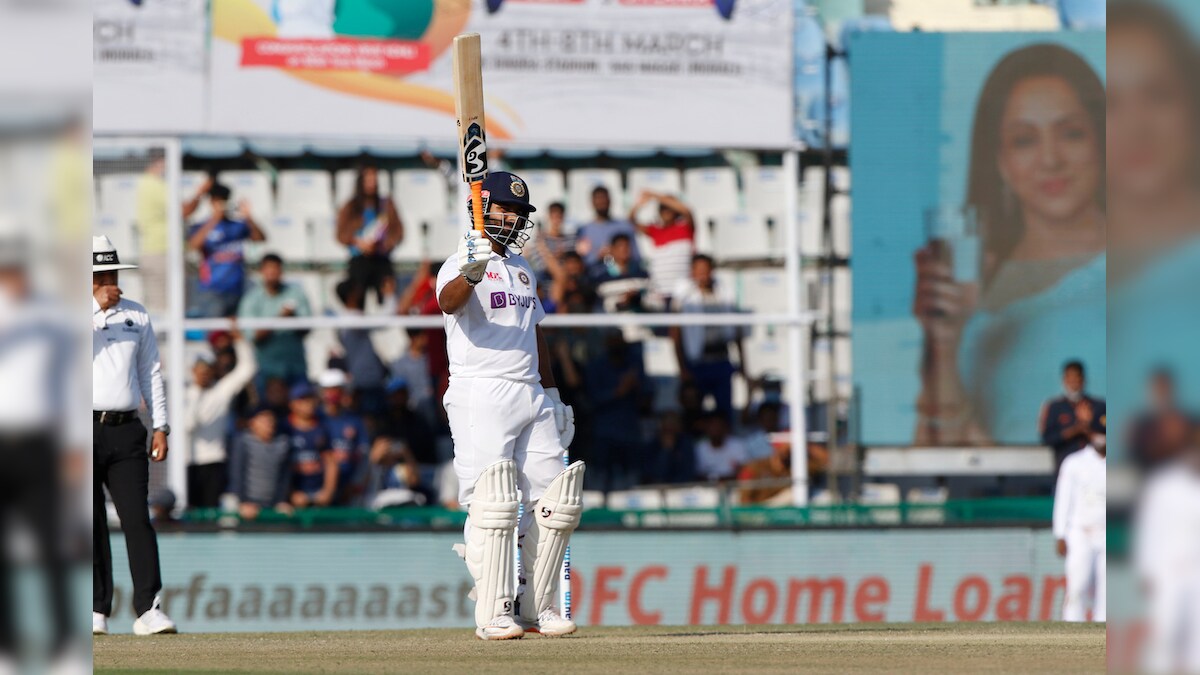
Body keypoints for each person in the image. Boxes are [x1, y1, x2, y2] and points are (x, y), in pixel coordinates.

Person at [912, 44, 1106, 445]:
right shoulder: (970, 290)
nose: (1051, 160)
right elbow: (944, 454)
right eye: (1024, 141)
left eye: (1071, 133)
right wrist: (943, 345)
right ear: (1000, 160)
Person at [435, 170, 581, 640]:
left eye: (521, 212)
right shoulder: (460, 260)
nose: (516, 218)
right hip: (481, 390)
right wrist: (470, 272)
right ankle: (494, 613)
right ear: (482, 209)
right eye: (507, 209)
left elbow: (534, 333)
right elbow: (447, 301)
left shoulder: (523, 268)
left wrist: (553, 395)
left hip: (530, 391)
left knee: (554, 501)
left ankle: (540, 606)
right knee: (494, 503)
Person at [91, 235, 176, 636]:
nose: (109, 281)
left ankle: (148, 608)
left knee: (137, 519)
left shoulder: (136, 315)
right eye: (99, 274)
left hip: (126, 430)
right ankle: (96, 610)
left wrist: (161, 425)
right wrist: (94, 309)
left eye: (110, 273)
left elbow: (151, 373)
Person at [183, 329, 257, 509]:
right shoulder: (183, 395)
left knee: (211, 511)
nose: (204, 374)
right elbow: (188, 425)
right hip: (187, 463)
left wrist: (240, 341)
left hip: (214, 462)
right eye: (199, 369)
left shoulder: (221, 392)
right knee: (190, 511)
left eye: (207, 369)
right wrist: (196, 393)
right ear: (192, 371)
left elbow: (248, 369)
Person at [671, 254, 747, 420]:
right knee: (694, 414)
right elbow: (676, 335)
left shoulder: (725, 294)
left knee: (724, 413)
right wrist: (682, 368)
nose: (702, 275)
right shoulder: (684, 298)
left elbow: (737, 332)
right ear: (692, 273)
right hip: (697, 363)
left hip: (721, 360)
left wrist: (742, 363)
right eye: (698, 271)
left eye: (706, 270)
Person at [184, 181, 266, 317]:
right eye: (216, 200)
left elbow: (260, 238)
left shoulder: (238, 225)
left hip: (237, 288)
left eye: (223, 200)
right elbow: (193, 246)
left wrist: (249, 218)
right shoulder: (201, 226)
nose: (220, 204)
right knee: (215, 334)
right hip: (212, 290)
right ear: (210, 202)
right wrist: (214, 219)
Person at [1052, 431, 1106, 622]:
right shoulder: (1075, 462)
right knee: (1078, 584)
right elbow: (1063, 498)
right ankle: (1073, 632)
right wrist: (1060, 533)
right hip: (1080, 531)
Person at [238, 253, 312, 386]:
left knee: (302, 405)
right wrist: (279, 319)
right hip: (268, 371)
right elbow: (253, 336)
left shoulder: (296, 293)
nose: (272, 273)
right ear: (261, 271)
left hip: (296, 367)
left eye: (276, 269)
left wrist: (292, 319)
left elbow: (307, 329)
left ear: (281, 271)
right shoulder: (251, 299)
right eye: (268, 269)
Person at [336, 165, 403, 305]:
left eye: (374, 179)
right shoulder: (351, 206)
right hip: (359, 259)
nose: (372, 183)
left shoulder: (386, 205)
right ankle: (355, 317)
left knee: (388, 284)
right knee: (355, 289)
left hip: (381, 258)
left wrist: (384, 244)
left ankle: (388, 315)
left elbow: (398, 232)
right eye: (368, 179)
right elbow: (341, 234)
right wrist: (358, 242)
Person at [628, 190, 695, 305]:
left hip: (682, 290)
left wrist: (656, 196)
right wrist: (640, 204)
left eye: (669, 208)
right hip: (660, 291)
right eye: (662, 208)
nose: (666, 211)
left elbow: (686, 211)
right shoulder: (655, 231)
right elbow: (631, 221)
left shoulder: (685, 228)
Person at [227, 406, 293, 521]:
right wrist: (243, 501)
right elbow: (237, 473)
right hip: (247, 505)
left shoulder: (283, 443)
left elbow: (284, 475)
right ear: (252, 423)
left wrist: (281, 501)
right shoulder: (243, 442)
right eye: (263, 420)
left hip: (273, 504)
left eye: (271, 420)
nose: (269, 424)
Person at [334, 281, 389, 417]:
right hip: (367, 380)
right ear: (351, 295)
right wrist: (389, 295)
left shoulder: (344, 320)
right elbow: (386, 321)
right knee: (372, 419)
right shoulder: (354, 320)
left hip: (363, 379)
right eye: (358, 290)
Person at [1039, 361, 1106, 469]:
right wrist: (1075, 429)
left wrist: (1088, 427)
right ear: (1064, 380)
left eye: (1076, 377)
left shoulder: (1099, 406)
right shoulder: (1054, 407)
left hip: (1095, 470)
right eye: (1070, 378)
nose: (1073, 382)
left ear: (1083, 379)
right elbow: (1048, 439)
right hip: (1065, 468)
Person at [318, 369, 370, 506]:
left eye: (336, 389)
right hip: (320, 488)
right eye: (328, 390)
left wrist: (355, 483)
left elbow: (363, 455)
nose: (332, 394)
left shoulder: (354, 420)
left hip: (349, 488)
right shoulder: (316, 419)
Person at [1128, 369, 1192, 474]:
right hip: (1151, 480)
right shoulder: (1141, 426)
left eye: (1164, 389)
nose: (1162, 394)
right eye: (1158, 389)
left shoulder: (1186, 423)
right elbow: (1134, 459)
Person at [285, 382, 336, 509]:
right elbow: (279, 466)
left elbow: (331, 462)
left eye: (311, 399)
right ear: (292, 404)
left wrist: (327, 492)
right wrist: (290, 492)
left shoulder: (322, 427)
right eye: (303, 400)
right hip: (293, 497)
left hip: (318, 493)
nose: (309, 404)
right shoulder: (285, 429)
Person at [135, 152, 168, 312]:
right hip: (160, 252)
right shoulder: (155, 185)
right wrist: (200, 193)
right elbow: (183, 210)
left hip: (153, 251)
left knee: (159, 307)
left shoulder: (145, 183)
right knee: (163, 309)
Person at [575, 186, 639, 265]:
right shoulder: (584, 230)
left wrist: (617, 254)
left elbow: (636, 256)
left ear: (610, 201)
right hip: (594, 275)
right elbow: (581, 261)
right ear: (592, 202)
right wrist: (598, 257)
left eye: (604, 198)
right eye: (598, 199)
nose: (602, 202)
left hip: (622, 275)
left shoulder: (624, 226)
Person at [588, 234, 649, 313]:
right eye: (620, 246)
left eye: (627, 246)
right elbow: (601, 305)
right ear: (612, 249)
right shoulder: (601, 277)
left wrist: (637, 297)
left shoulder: (642, 274)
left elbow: (652, 301)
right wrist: (621, 301)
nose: (624, 249)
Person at [527, 202, 576, 280]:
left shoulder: (571, 239)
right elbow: (540, 265)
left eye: (559, 216)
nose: (556, 220)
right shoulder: (539, 240)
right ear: (548, 216)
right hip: (546, 279)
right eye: (554, 216)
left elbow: (573, 264)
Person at [644, 411, 696, 485]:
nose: (670, 427)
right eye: (667, 426)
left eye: (673, 424)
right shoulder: (652, 445)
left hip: (681, 488)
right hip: (657, 488)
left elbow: (688, 472)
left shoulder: (685, 443)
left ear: (679, 427)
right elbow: (655, 474)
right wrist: (666, 451)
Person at [694, 413, 749, 481]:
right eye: (713, 426)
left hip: (734, 485)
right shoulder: (699, 448)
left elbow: (744, 472)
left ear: (726, 428)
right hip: (707, 488)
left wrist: (718, 479)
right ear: (706, 428)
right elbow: (698, 475)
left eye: (719, 426)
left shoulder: (738, 445)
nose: (716, 429)